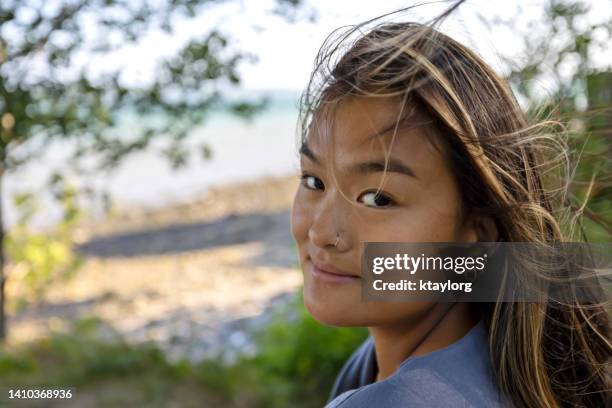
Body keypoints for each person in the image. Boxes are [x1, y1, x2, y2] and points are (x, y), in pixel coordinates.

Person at [289, 6, 611, 408]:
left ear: (478, 232)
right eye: (313, 181)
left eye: (378, 197)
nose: (321, 233)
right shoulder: (504, 364)